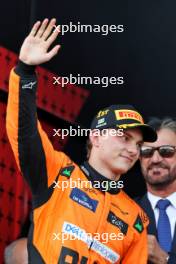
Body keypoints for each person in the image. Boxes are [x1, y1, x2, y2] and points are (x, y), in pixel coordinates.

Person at [6, 18, 157, 264]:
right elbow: (24, 133)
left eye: (139, 145)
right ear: (96, 137)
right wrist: (25, 71)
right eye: (124, 137)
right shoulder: (59, 173)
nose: (132, 150)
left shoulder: (135, 218)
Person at [138, 117, 176, 264]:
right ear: (139, 158)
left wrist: (165, 259)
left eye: (166, 151)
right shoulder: (124, 213)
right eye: (147, 152)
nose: (155, 159)